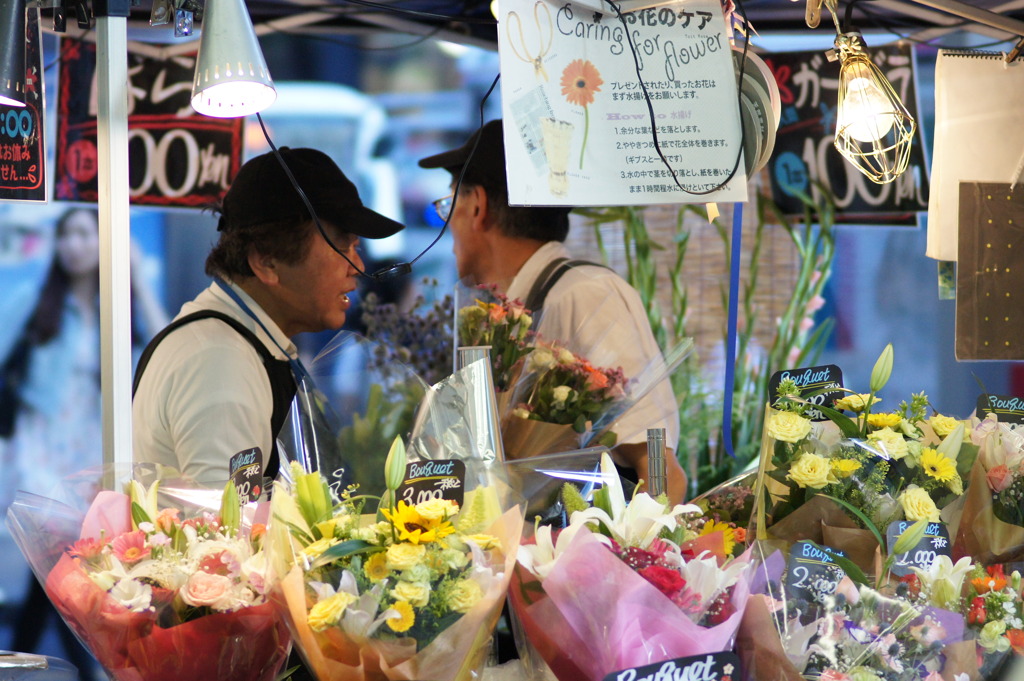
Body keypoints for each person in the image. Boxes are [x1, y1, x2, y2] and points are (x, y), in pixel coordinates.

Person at [419, 119, 688, 504]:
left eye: (449, 204)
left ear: (477, 206)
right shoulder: (508, 318)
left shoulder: (586, 294)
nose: (449, 226)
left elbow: (659, 467)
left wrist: (641, 556)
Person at [132, 147, 404, 487]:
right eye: (343, 247)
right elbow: (226, 529)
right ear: (267, 262)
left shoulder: (242, 342)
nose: (358, 267)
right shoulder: (219, 361)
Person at [0, 206, 168, 679]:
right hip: (39, 447)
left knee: (56, 570)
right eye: (65, 235)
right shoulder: (37, 302)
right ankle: (90, 670)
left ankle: (33, 662)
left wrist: (135, 277)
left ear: (104, 243)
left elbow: (159, 343)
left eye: (83, 234)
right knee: (54, 563)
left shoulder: (116, 308)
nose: (73, 245)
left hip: (89, 452)